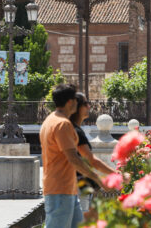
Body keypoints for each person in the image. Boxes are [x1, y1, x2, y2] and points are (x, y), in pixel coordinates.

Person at [40, 84, 106, 228]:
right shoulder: (62, 124)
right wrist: (95, 177)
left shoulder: (50, 120)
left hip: (67, 189)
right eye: (75, 100)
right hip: (60, 190)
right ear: (70, 102)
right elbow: (73, 158)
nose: (77, 102)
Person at [69, 93, 116, 213]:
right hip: (77, 187)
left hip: (79, 186)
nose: (89, 107)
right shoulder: (74, 131)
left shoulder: (74, 129)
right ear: (76, 108)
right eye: (86, 104)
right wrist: (116, 175)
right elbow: (91, 160)